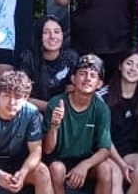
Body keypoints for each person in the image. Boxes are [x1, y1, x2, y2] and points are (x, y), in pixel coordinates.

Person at [43, 54, 115, 194]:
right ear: (73, 79)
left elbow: (105, 149)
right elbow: (47, 150)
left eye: (93, 76)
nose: (87, 79)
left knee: (105, 168)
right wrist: (54, 127)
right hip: (60, 159)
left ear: (99, 84)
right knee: (57, 169)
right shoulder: (56, 103)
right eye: (82, 74)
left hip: (86, 160)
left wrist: (85, 165)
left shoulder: (101, 109)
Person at [103, 49, 138, 194]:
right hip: (106, 153)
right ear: (120, 66)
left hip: (132, 153)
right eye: (129, 63)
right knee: (115, 177)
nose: (133, 69)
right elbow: (103, 138)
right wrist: (120, 163)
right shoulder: (102, 97)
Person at [15, 14, 79, 113]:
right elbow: (21, 96)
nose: (52, 36)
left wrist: (61, 109)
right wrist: (51, 108)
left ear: (62, 35)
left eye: (56, 32)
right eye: (46, 32)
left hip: (63, 110)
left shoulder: (71, 57)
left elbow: (73, 92)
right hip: (33, 110)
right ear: (38, 36)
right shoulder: (28, 57)